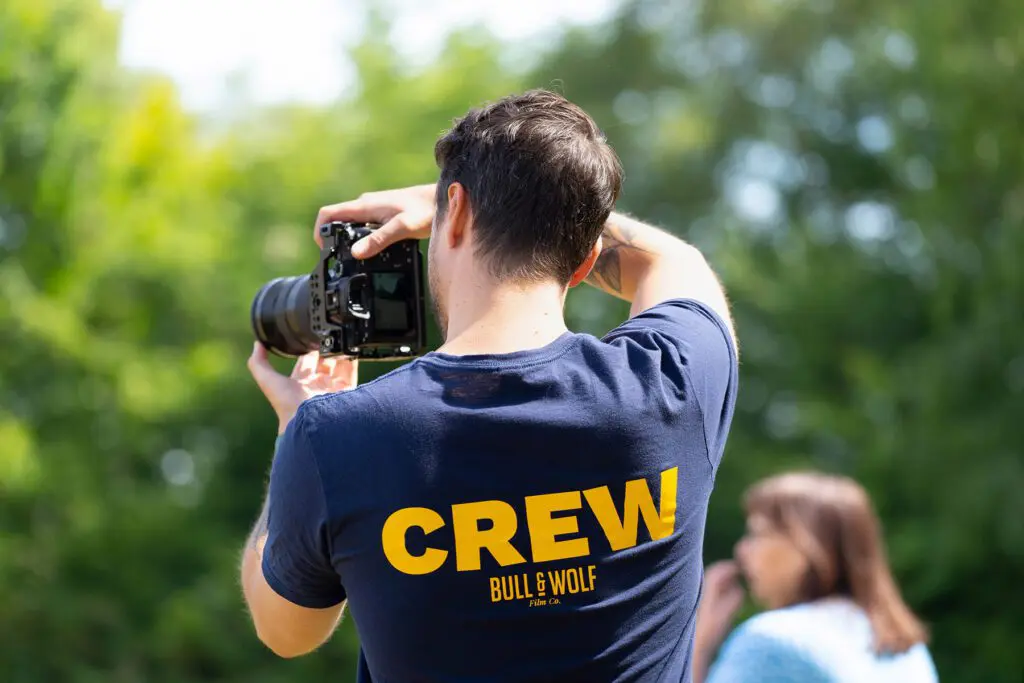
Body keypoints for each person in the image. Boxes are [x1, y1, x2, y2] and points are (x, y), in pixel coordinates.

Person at [241, 89, 740, 682]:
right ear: (584, 262)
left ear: (458, 207)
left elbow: (287, 630)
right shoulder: (669, 385)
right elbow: (673, 261)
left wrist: (292, 428)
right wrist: (548, 209)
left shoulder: (336, 435)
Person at [693, 472, 939, 683]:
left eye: (759, 534)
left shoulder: (770, 641)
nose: (742, 550)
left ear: (806, 548)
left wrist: (698, 642)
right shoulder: (905, 646)